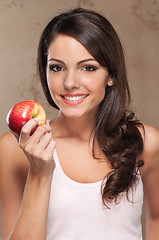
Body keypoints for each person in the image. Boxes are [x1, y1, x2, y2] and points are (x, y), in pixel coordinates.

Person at [0, 7, 159, 240]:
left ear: (111, 75)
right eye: (57, 67)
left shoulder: (146, 142)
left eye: (88, 67)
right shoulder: (15, 148)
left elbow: (156, 217)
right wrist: (40, 174)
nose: (70, 82)